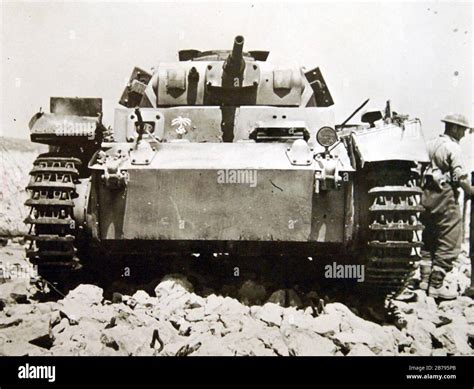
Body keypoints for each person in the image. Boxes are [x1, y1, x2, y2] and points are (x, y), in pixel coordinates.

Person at [419, 113, 473, 299]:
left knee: (429, 237)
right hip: (445, 195)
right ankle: (436, 285)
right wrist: (470, 190)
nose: (464, 134)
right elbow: (459, 176)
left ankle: (424, 280)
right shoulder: (453, 148)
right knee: (450, 238)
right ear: (455, 128)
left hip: (426, 195)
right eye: (463, 130)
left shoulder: (429, 144)